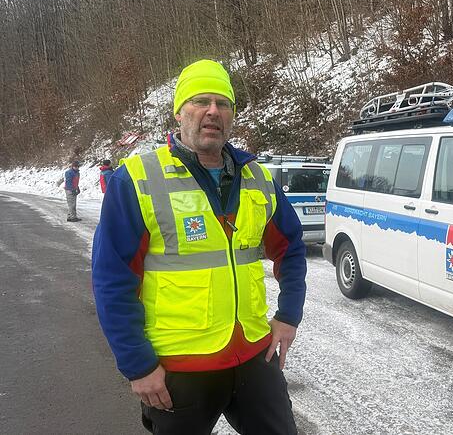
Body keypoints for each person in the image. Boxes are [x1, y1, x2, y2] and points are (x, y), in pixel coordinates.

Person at [91, 59, 307, 434]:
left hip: (255, 355)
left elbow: (292, 249)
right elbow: (112, 280)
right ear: (178, 112)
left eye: (223, 103)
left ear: (232, 115)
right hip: (179, 368)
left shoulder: (258, 177)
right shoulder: (138, 179)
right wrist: (138, 365)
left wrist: (289, 315)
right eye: (200, 101)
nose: (213, 111)